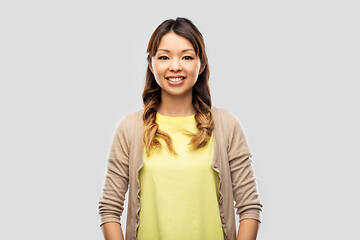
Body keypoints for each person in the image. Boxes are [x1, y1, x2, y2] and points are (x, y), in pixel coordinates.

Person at [98, 17, 263, 240]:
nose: (175, 66)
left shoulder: (226, 125)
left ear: (201, 64)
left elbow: (249, 207)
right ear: (151, 64)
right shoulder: (130, 128)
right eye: (164, 57)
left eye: (186, 57)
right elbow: (110, 208)